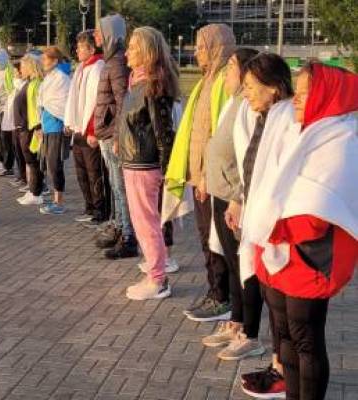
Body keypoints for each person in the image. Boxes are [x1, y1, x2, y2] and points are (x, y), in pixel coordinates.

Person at [241, 62, 358, 400]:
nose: (296, 98)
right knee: (285, 336)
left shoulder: (341, 139)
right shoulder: (299, 130)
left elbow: (317, 211)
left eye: (306, 92)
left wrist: (269, 222)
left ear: (327, 95)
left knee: (305, 339)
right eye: (298, 90)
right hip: (280, 251)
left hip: (312, 257)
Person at [232, 53, 295, 399]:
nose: (246, 94)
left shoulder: (286, 121)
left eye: (251, 88)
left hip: (279, 228)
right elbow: (253, 167)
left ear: (273, 88)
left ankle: (284, 372)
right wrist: (241, 200)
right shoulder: (266, 117)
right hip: (261, 220)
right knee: (275, 304)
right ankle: (278, 365)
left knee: (285, 310)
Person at [164, 24, 235, 321]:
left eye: (202, 47)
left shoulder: (223, 82)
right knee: (206, 237)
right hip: (201, 176)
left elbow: (219, 135)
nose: (197, 52)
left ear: (218, 47)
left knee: (215, 239)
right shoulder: (208, 79)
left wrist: (206, 175)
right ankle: (216, 292)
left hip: (213, 179)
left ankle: (221, 298)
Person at [200, 48, 267, 362]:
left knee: (246, 269)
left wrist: (239, 196)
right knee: (231, 263)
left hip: (235, 198)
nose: (226, 73)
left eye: (231, 67)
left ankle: (250, 334)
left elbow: (250, 158)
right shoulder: (233, 102)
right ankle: (236, 321)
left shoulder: (250, 106)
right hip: (222, 195)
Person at [118, 26, 180, 300]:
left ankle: (157, 279)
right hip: (134, 162)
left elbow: (163, 132)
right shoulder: (138, 82)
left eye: (132, 47)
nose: (127, 52)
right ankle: (155, 271)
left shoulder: (154, 84)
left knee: (146, 223)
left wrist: (167, 171)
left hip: (145, 165)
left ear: (145, 52)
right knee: (143, 221)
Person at [93, 14, 138, 260]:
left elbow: (123, 101)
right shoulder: (112, 60)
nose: (96, 37)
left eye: (99, 32)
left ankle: (128, 237)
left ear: (110, 34)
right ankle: (121, 228)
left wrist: (118, 135)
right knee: (116, 186)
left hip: (113, 136)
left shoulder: (117, 62)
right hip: (107, 134)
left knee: (120, 187)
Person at [65, 31, 106, 226]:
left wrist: (93, 131)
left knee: (94, 172)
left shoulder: (98, 67)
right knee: (81, 172)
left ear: (91, 49)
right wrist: (69, 122)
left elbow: (97, 102)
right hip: (79, 129)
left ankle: (99, 210)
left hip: (90, 131)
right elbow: (74, 98)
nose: (77, 50)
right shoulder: (81, 68)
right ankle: (89, 207)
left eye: (81, 47)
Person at [37, 47, 71, 215]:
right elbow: (43, 102)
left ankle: (59, 202)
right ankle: (56, 199)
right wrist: (40, 126)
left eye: (45, 59)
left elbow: (64, 103)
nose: (42, 63)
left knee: (55, 164)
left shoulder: (62, 79)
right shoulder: (49, 78)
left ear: (55, 61)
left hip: (57, 127)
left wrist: (66, 121)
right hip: (47, 127)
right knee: (49, 165)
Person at [15, 53, 45, 206]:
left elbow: (36, 108)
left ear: (29, 66)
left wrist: (37, 127)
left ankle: (36, 192)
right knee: (30, 160)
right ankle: (33, 189)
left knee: (33, 161)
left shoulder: (36, 83)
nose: (20, 69)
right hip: (24, 127)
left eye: (22, 66)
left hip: (31, 128)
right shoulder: (29, 82)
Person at [0, 62, 25, 178]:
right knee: (15, 150)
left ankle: (25, 178)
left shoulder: (22, 86)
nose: (13, 74)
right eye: (13, 72)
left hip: (19, 124)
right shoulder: (14, 87)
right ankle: (21, 176)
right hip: (10, 122)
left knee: (22, 153)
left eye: (15, 72)